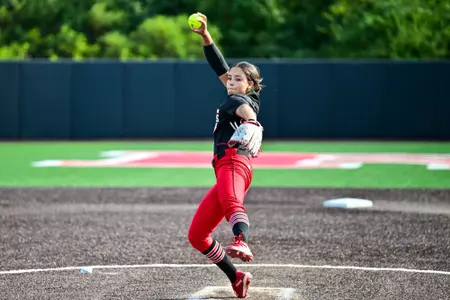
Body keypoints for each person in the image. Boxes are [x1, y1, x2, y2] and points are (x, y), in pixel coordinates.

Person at [187, 12, 264, 299]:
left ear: (250, 85)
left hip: (235, 161)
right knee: (197, 236)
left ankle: (242, 240)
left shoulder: (241, 100)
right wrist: (206, 37)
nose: (230, 80)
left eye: (237, 78)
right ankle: (237, 277)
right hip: (223, 168)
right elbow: (219, 65)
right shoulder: (236, 92)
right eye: (230, 77)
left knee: (232, 202)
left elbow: (247, 111)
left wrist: (252, 122)